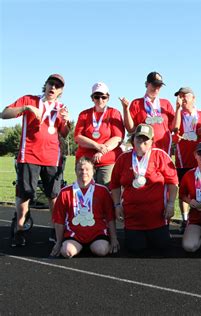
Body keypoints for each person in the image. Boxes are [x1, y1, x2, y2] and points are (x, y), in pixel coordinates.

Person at [1, 74, 71, 246]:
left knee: (53, 196)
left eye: (57, 86)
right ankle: (20, 229)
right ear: (45, 85)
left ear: (61, 91)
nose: (53, 88)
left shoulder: (61, 107)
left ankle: (55, 230)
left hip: (52, 157)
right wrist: (27, 109)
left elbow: (64, 133)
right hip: (29, 154)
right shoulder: (30, 100)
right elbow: (4, 114)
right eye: (51, 84)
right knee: (25, 195)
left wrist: (67, 122)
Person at [110, 124, 179, 255]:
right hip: (133, 219)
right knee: (135, 248)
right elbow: (114, 184)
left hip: (157, 218)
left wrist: (170, 204)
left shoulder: (160, 156)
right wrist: (117, 205)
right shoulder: (123, 159)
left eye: (145, 139)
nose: (142, 142)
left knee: (162, 247)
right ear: (133, 140)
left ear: (152, 141)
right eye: (138, 138)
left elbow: (173, 182)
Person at [50, 157, 119, 258]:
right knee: (67, 252)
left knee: (102, 250)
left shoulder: (102, 191)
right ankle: (77, 246)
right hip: (74, 234)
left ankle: (91, 246)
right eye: (80, 169)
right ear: (76, 171)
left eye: (87, 169)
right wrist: (59, 242)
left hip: (97, 233)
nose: (84, 172)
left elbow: (110, 217)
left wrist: (114, 239)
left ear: (93, 171)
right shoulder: (65, 192)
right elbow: (59, 220)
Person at [172, 87, 201, 233]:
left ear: (193, 98)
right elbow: (174, 130)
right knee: (184, 192)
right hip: (182, 160)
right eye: (179, 97)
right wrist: (176, 110)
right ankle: (184, 219)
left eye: (184, 96)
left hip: (200, 161)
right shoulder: (177, 114)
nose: (182, 99)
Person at [74, 82, 125, 187]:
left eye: (103, 97)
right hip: (86, 162)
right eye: (96, 97)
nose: (100, 100)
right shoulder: (84, 114)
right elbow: (78, 137)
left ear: (108, 97)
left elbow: (118, 138)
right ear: (92, 98)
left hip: (107, 162)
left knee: (106, 193)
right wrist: (96, 145)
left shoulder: (114, 113)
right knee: (85, 193)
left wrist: (102, 151)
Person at [119, 72, 175, 154]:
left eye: (159, 86)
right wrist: (125, 109)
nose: (156, 89)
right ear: (146, 84)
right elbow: (130, 129)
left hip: (164, 147)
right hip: (143, 147)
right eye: (154, 85)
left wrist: (178, 108)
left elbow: (172, 127)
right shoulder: (136, 103)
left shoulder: (166, 103)